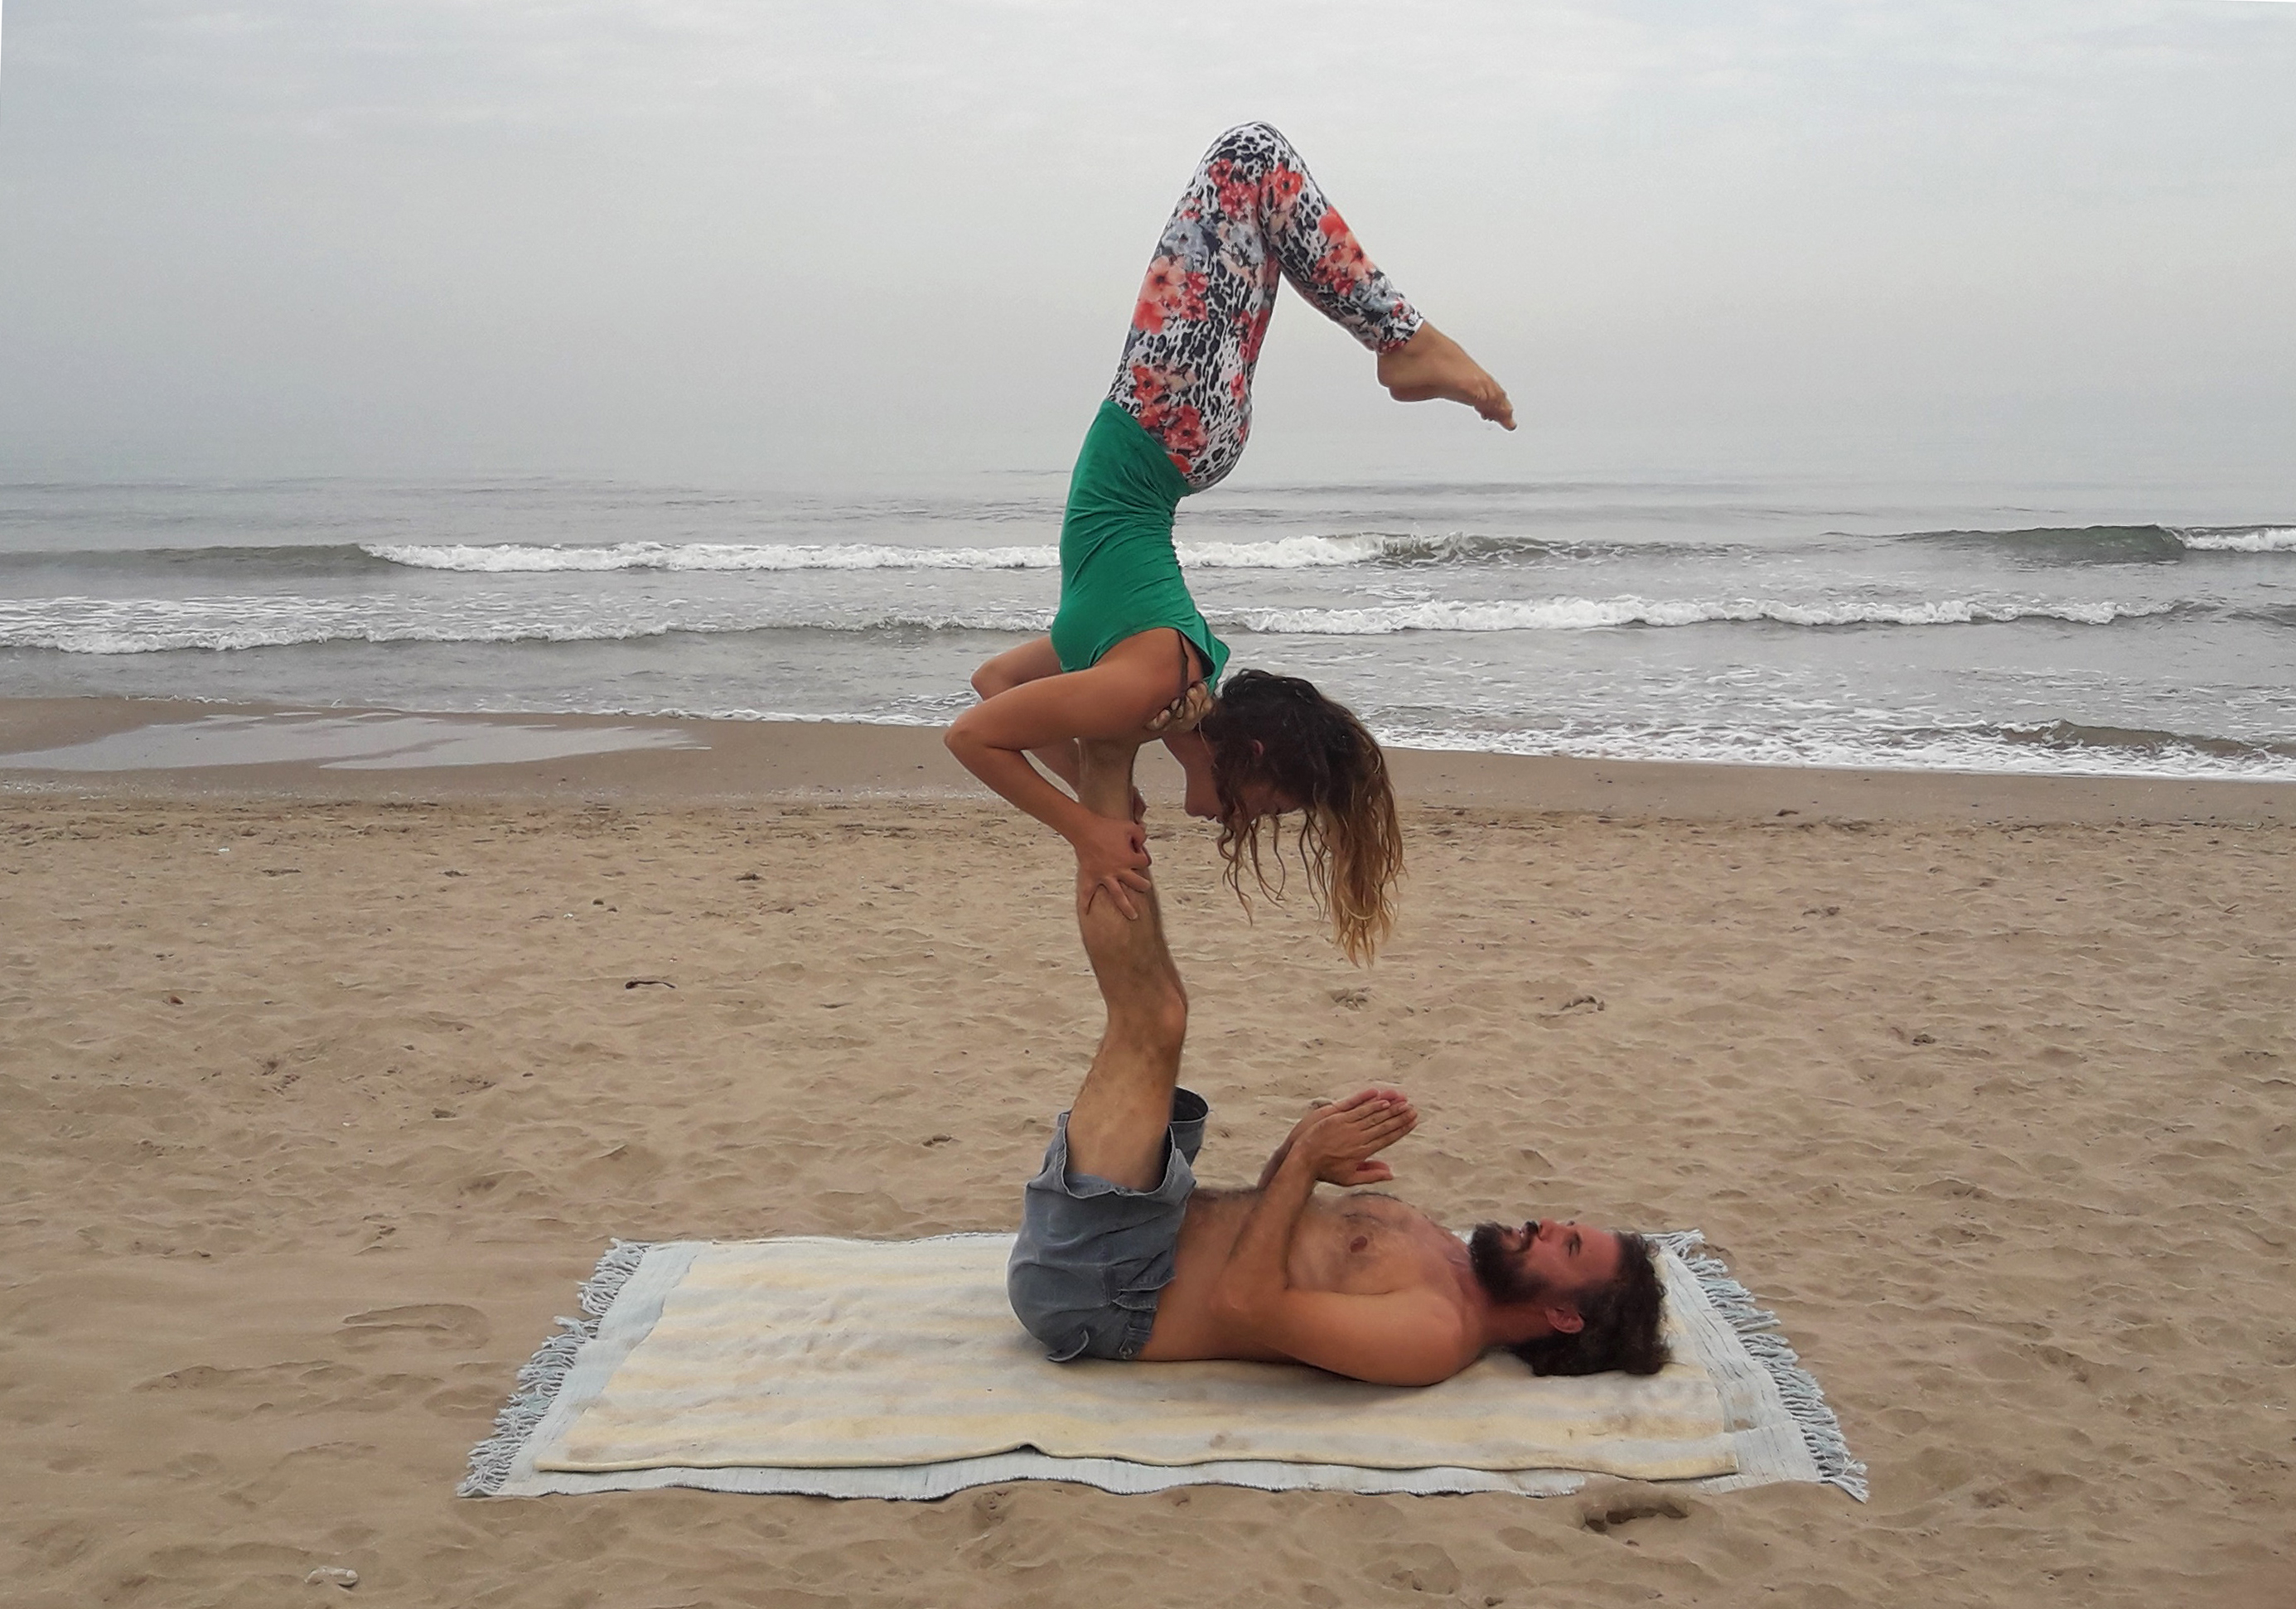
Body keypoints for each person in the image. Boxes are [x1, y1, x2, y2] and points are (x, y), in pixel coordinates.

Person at [946, 123, 1512, 964]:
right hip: (1162, 426)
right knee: (1249, 162)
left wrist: (1100, 796)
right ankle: (1404, 345)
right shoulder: (1144, 683)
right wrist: (1083, 832)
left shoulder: (1150, 676)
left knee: (1254, 198)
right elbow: (973, 735)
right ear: (1245, 755)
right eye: (1266, 802)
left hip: (1175, 435)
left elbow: (992, 686)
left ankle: (1404, 347)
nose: (1236, 819)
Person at [1006, 739, 1667, 1386]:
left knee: (1150, 1021)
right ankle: (1104, 751)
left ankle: (1107, 755)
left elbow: (1244, 1305)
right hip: (1149, 1228)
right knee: (1164, 1008)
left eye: (1568, 1247)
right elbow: (1270, 1229)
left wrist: (1306, 1165)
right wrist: (1307, 1142)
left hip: (1101, 1291)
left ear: (1562, 1316)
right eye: (1569, 1228)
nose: (1548, 1225)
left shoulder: (1435, 1334)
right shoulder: (1447, 1253)